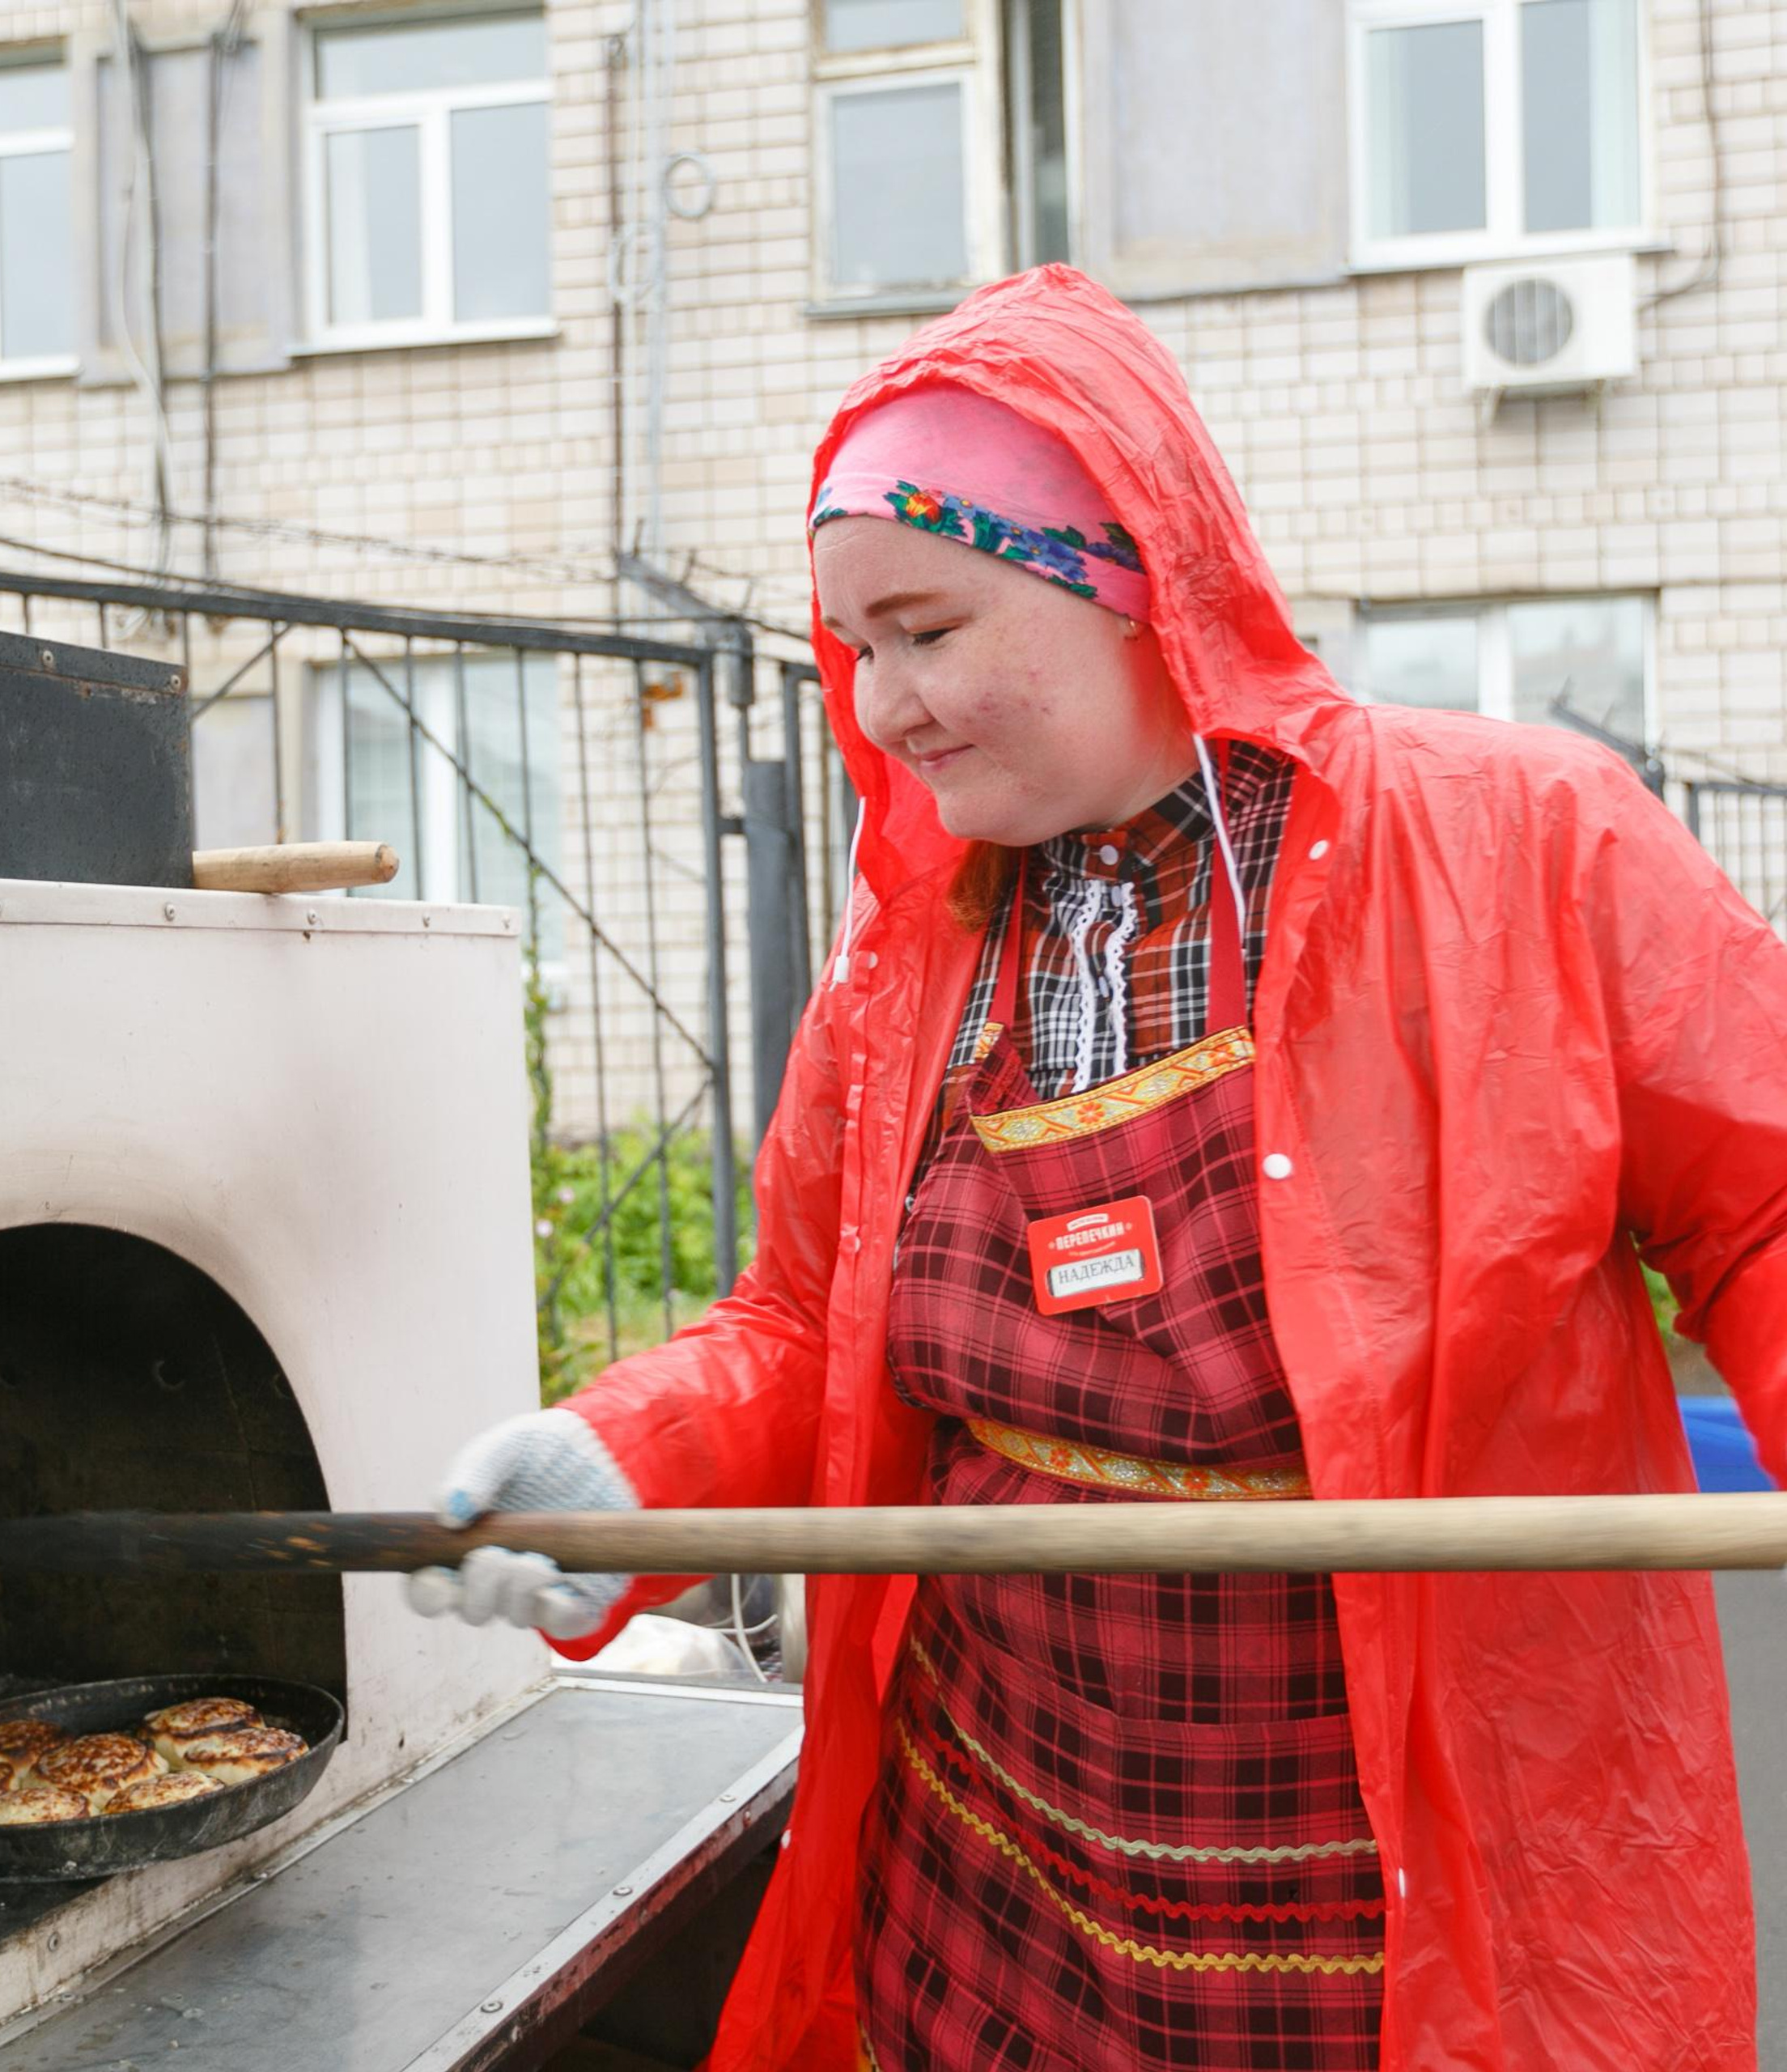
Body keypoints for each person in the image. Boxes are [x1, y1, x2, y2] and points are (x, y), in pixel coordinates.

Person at [408, 265, 1787, 2070]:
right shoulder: (907, 957)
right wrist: (624, 1460)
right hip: (995, 1857)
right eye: (855, 650)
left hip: (1388, 1886)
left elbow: (1763, 1205)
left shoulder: (1516, 844)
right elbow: (807, 1320)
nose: (883, 702)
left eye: (927, 625)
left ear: (1119, 572)